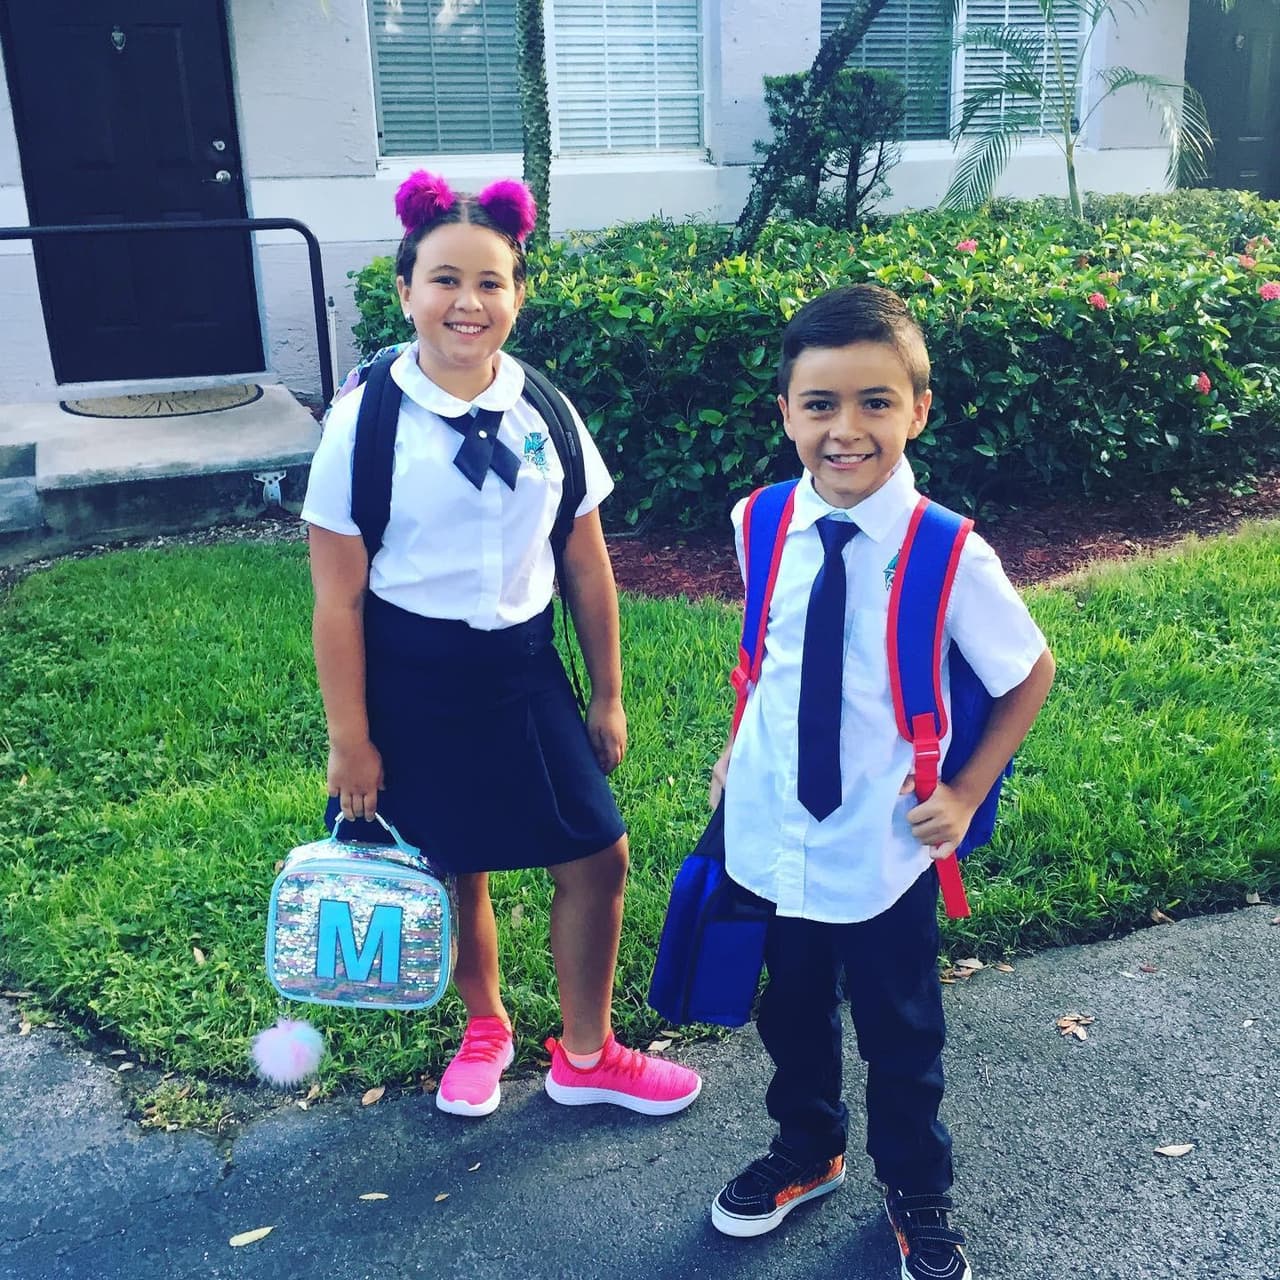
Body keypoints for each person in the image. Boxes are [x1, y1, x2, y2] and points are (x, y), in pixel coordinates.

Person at [301, 170, 701, 1120]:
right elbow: (337, 601)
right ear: (405, 292)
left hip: (523, 671)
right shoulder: (366, 424)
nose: (467, 303)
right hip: (412, 675)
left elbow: (587, 564)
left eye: (490, 281)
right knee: (456, 860)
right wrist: (350, 738)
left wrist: (607, 692)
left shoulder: (545, 413)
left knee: (599, 856)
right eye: (444, 280)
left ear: (518, 294)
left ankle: (589, 1053)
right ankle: (485, 1028)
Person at [707, 284, 1054, 1280]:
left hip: (886, 843)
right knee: (790, 1009)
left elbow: (1026, 670)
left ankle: (914, 1184)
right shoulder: (758, 519)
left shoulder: (947, 550)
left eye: (873, 401)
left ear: (917, 409)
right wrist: (739, 746)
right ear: (784, 411)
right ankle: (806, 1148)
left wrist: (963, 787)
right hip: (774, 824)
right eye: (818, 404)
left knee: (900, 1030)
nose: (844, 429)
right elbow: (771, 653)